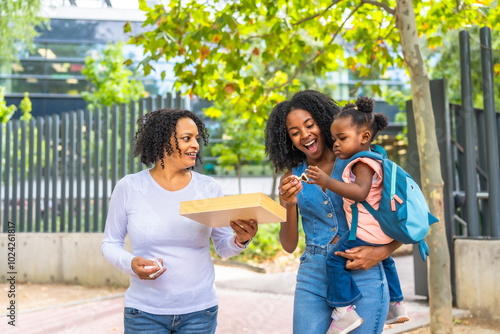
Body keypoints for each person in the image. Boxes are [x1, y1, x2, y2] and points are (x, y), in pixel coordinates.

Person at [101, 108, 258, 334]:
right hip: (144, 313)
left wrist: (241, 240)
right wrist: (131, 263)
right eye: (187, 139)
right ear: (163, 142)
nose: (195, 145)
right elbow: (110, 243)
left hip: (199, 313)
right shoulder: (129, 187)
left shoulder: (208, 188)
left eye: (196, 138)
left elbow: (224, 247)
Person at [264, 90, 403, 334]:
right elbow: (288, 244)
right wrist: (288, 204)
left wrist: (382, 252)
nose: (304, 135)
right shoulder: (292, 178)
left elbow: (402, 218)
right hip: (313, 278)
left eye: (310, 125)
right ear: (288, 140)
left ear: (323, 122)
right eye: (294, 133)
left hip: (364, 272)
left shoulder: (362, 163)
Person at [305, 97, 408, 333]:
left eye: (342, 138)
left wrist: (326, 181)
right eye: (334, 139)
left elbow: (360, 193)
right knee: (388, 260)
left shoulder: (361, 162)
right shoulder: (377, 159)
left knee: (334, 260)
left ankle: (344, 311)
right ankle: (397, 304)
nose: (336, 144)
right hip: (382, 232)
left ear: (364, 137)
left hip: (364, 232)